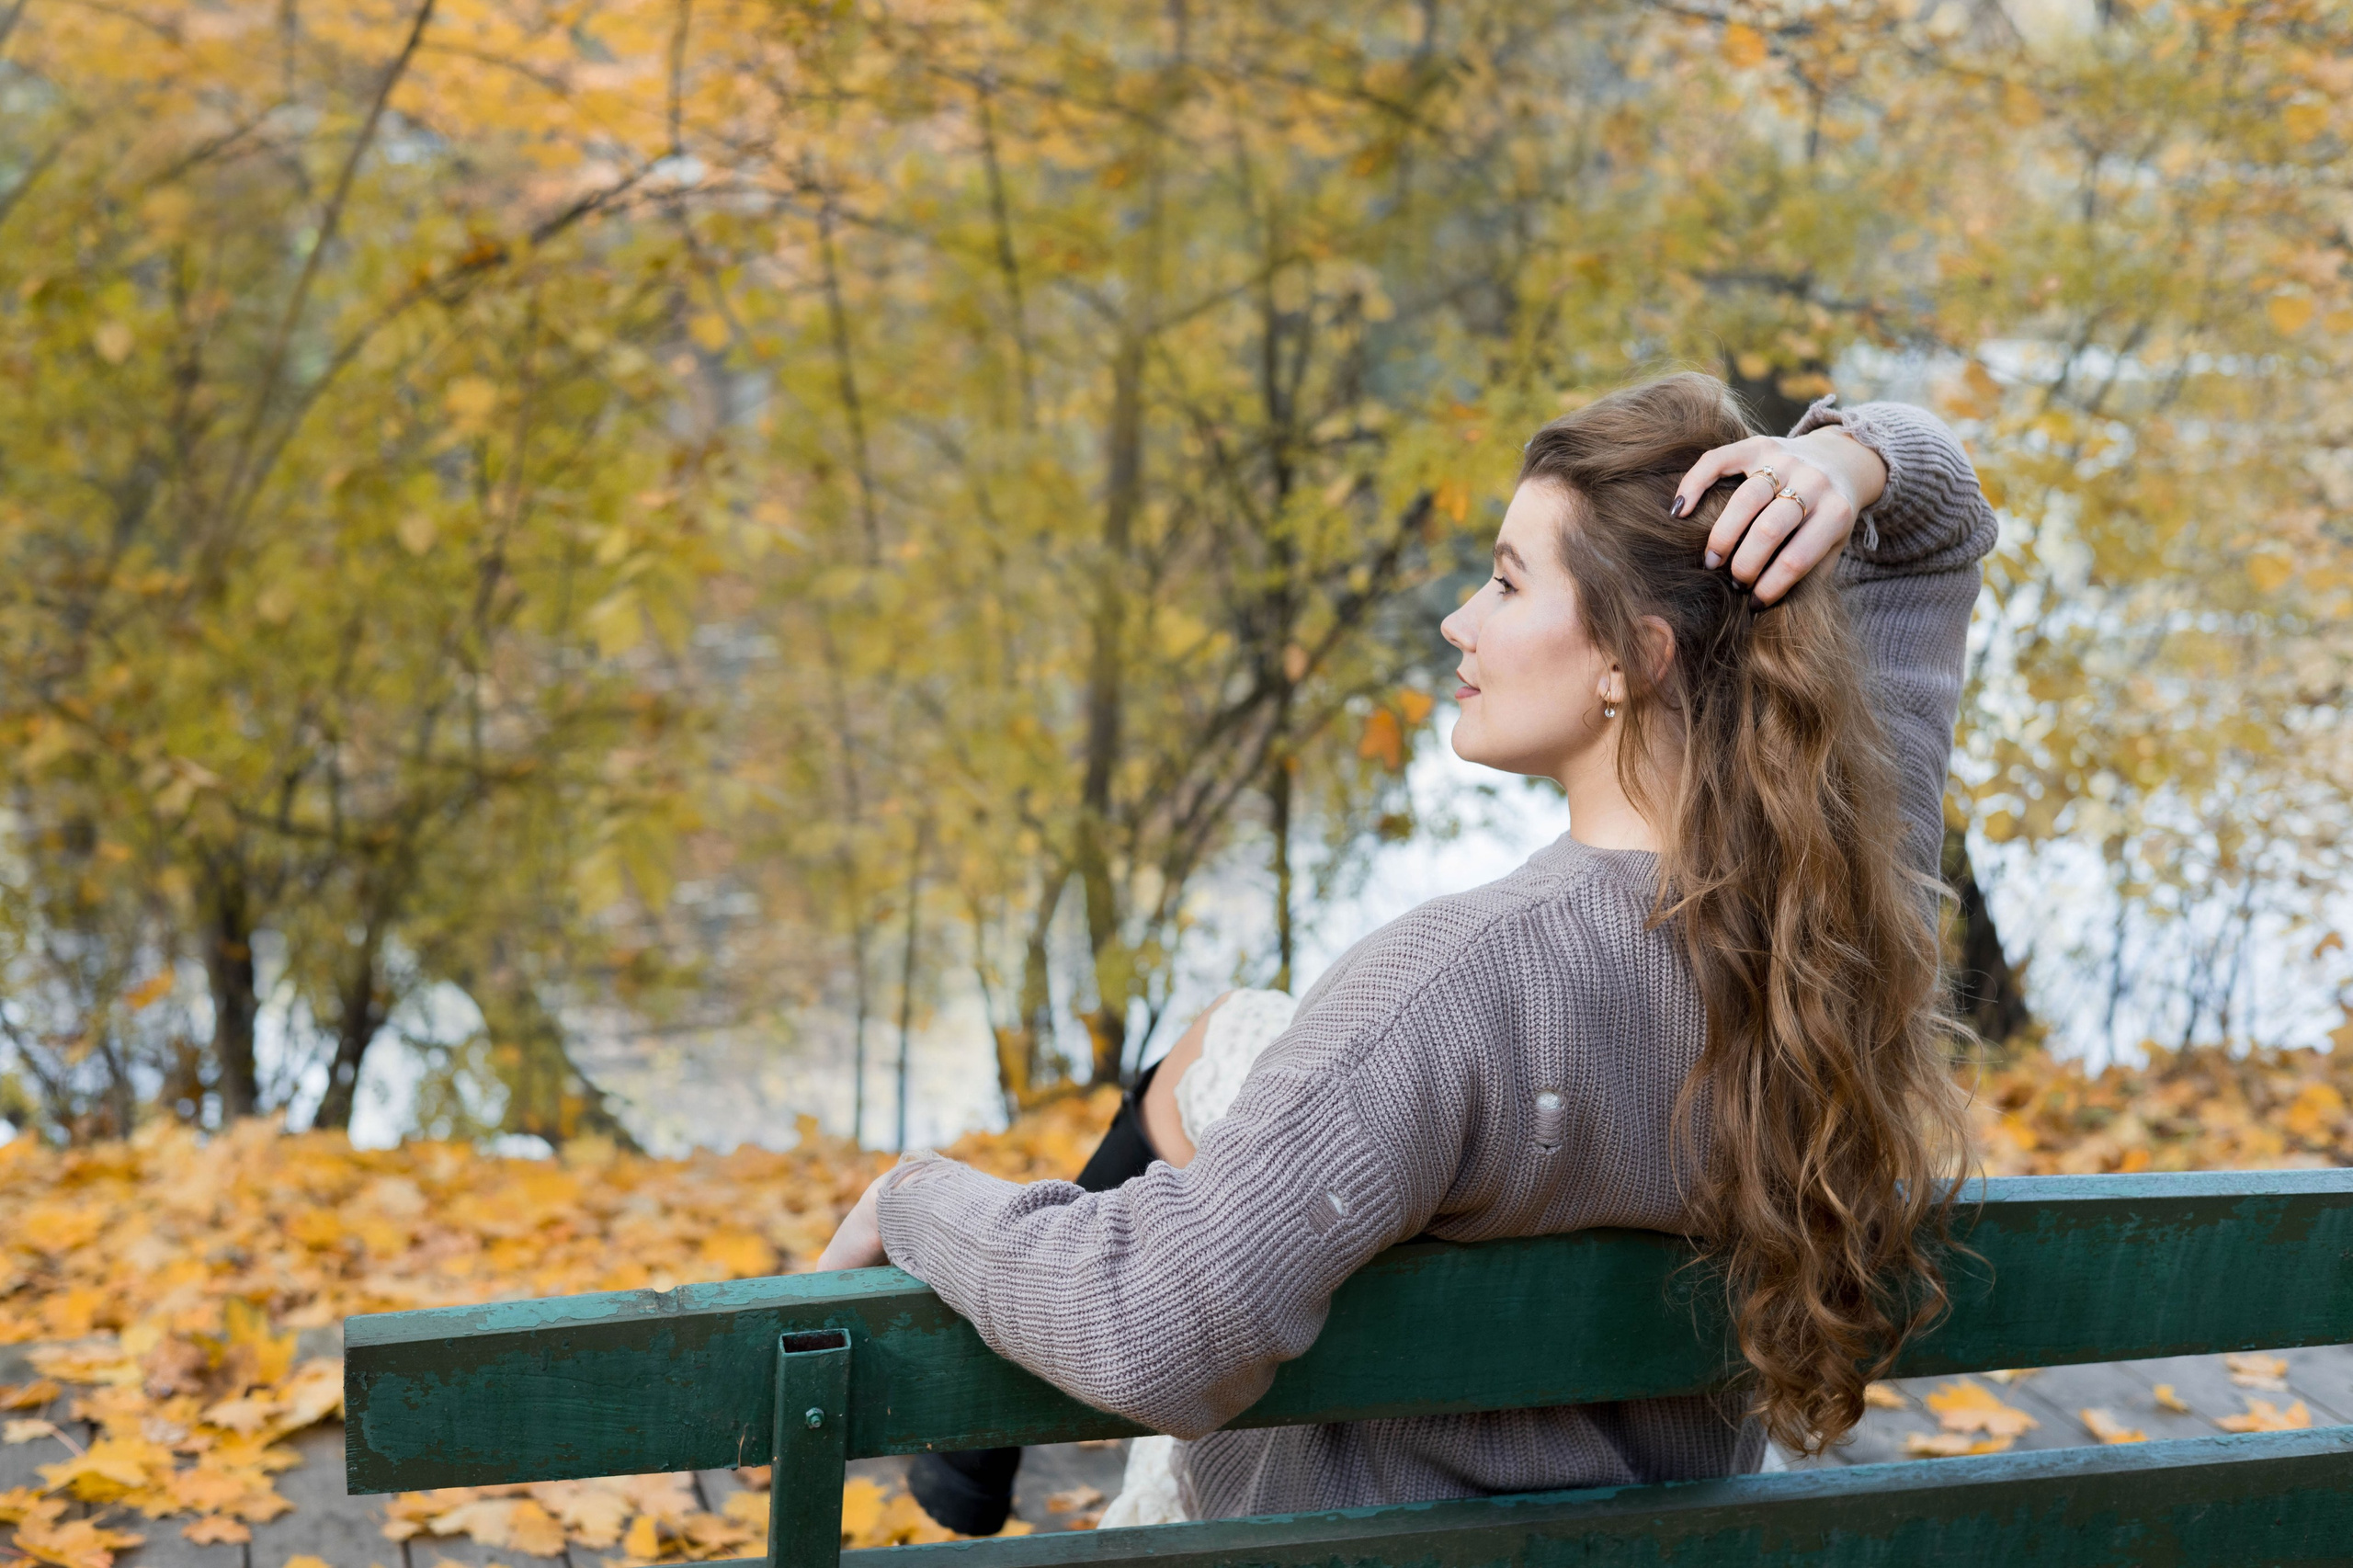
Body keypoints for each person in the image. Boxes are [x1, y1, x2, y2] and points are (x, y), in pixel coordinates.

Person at [816, 371, 1992, 1527]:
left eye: (1503, 581)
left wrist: (920, 1196)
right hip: (1658, 1527)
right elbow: (1935, 531)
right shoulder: (1845, 911)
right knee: (1240, 1037)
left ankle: (973, 1454)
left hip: (1329, 1540)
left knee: (1248, 1064)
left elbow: (1148, 1328)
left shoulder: (1464, 983)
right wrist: (1843, 459)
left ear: (1630, 658)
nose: (1457, 621)